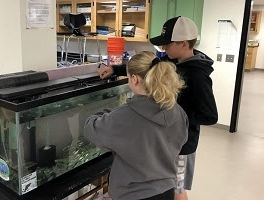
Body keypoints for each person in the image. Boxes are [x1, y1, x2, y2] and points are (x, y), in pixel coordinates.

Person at [98, 16, 218, 200]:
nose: (163, 48)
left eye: (167, 44)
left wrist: (176, 113)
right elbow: (149, 69)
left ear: (184, 44)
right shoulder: (173, 61)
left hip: (182, 144)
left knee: (178, 188)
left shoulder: (198, 75)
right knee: (169, 186)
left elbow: (210, 116)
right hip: (167, 139)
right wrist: (116, 70)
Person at [84, 51, 188, 200]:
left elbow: (90, 128)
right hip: (166, 191)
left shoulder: (122, 117)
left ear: (134, 79)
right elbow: (181, 145)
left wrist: (111, 111)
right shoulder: (178, 111)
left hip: (131, 194)